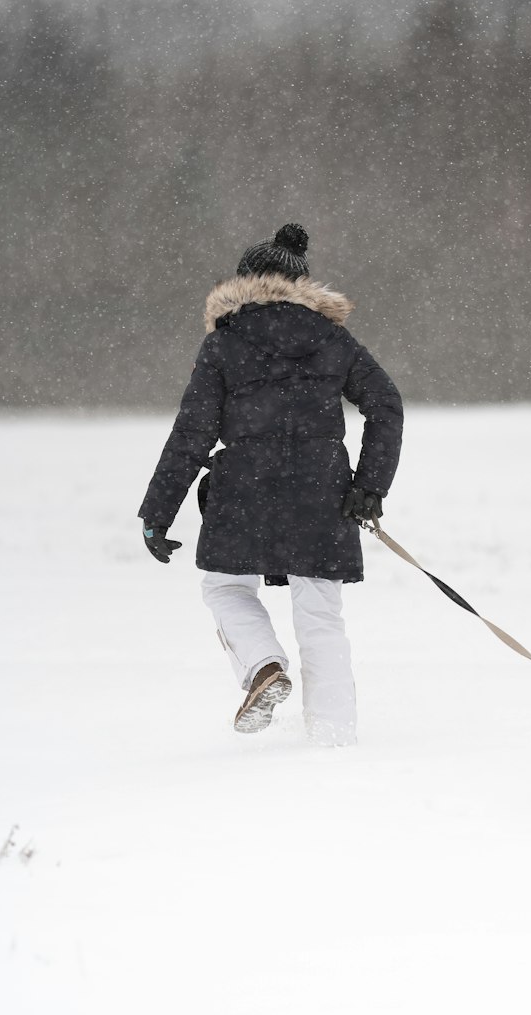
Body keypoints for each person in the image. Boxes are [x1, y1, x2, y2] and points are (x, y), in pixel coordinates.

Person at [138, 223, 403, 746]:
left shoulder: (224, 343)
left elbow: (193, 432)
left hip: (244, 490)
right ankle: (333, 739)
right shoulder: (332, 338)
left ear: (245, 282)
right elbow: (386, 405)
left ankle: (262, 667)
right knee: (320, 614)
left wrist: (157, 511)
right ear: (301, 284)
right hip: (322, 492)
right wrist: (370, 486)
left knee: (226, 587)